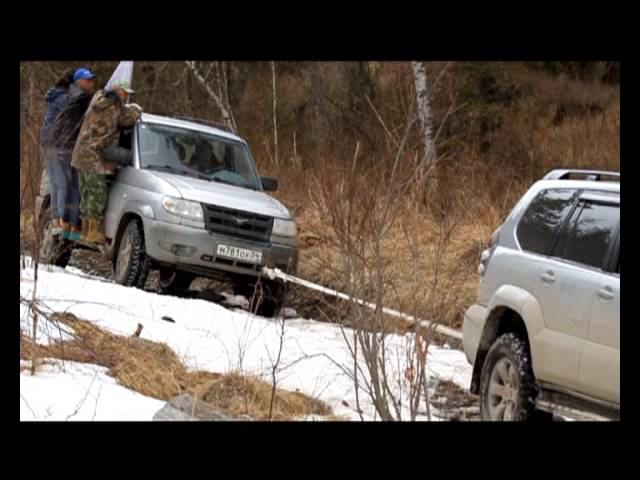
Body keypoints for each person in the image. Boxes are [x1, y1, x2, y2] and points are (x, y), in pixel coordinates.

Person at [71, 79, 142, 245]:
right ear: (119, 91)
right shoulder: (112, 105)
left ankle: (86, 230)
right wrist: (136, 110)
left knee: (86, 192)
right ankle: (93, 232)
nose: (126, 98)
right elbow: (124, 121)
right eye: (125, 94)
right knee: (97, 193)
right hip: (93, 156)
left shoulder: (99, 100)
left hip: (82, 154)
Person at [50, 67, 97, 240]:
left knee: (69, 188)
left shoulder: (70, 95)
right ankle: (71, 231)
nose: (91, 83)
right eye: (88, 80)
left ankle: (66, 229)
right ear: (79, 82)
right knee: (75, 189)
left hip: (63, 147)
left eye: (91, 80)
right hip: (71, 148)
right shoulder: (81, 96)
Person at [39, 68, 75, 234]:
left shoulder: (56, 95)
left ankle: (55, 220)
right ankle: (60, 220)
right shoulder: (63, 99)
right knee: (62, 184)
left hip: (47, 144)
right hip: (55, 145)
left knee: (55, 185)